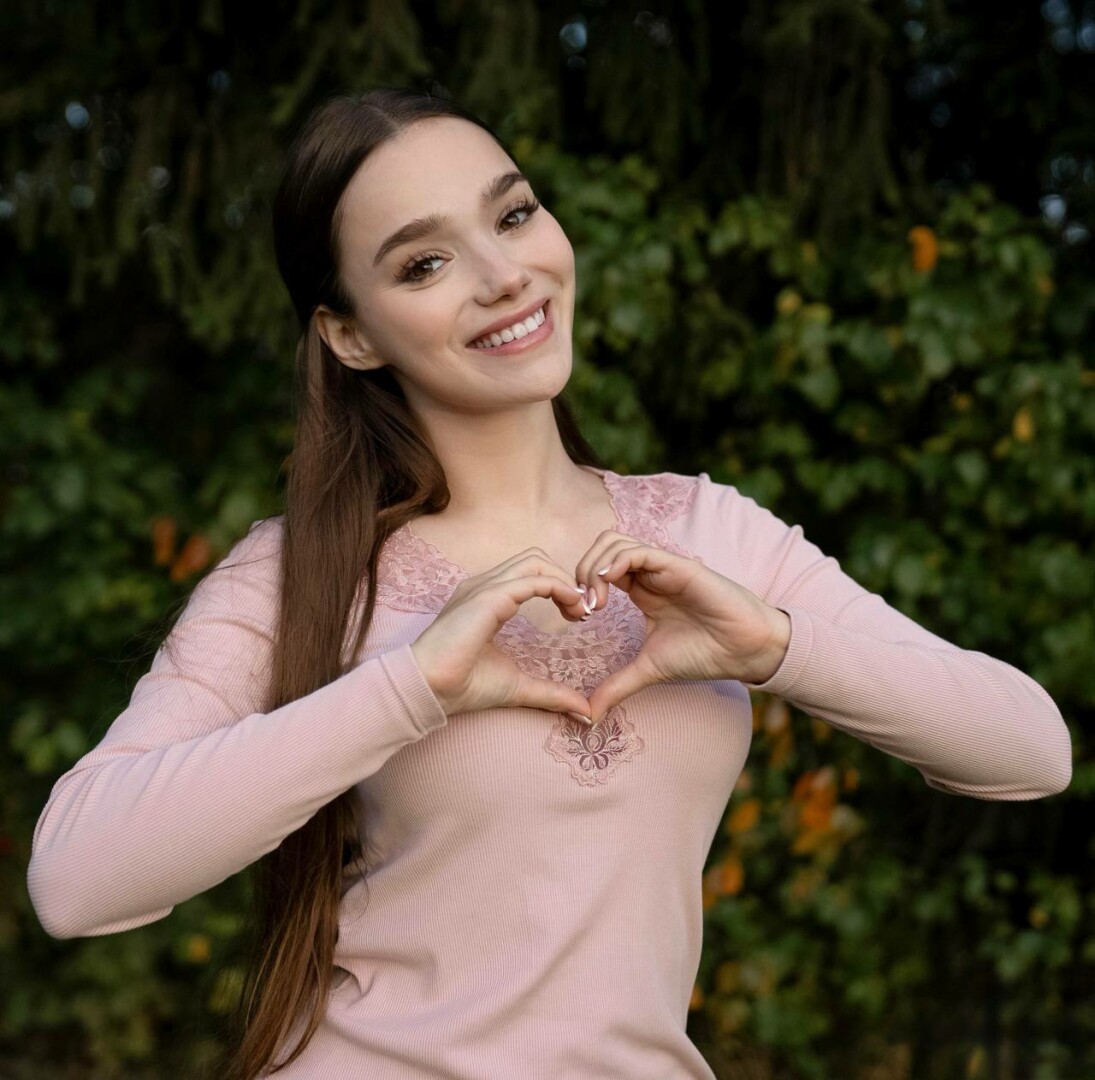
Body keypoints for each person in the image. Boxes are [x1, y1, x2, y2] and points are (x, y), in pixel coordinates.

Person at [27, 88, 1072, 1080]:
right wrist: (407, 688)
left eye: (514, 214)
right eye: (426, 263)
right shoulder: (299, 570)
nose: (504, 275)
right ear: (350, 335)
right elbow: (78, 878)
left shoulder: (710, 533)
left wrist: (778, 651)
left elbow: (1029, 748)